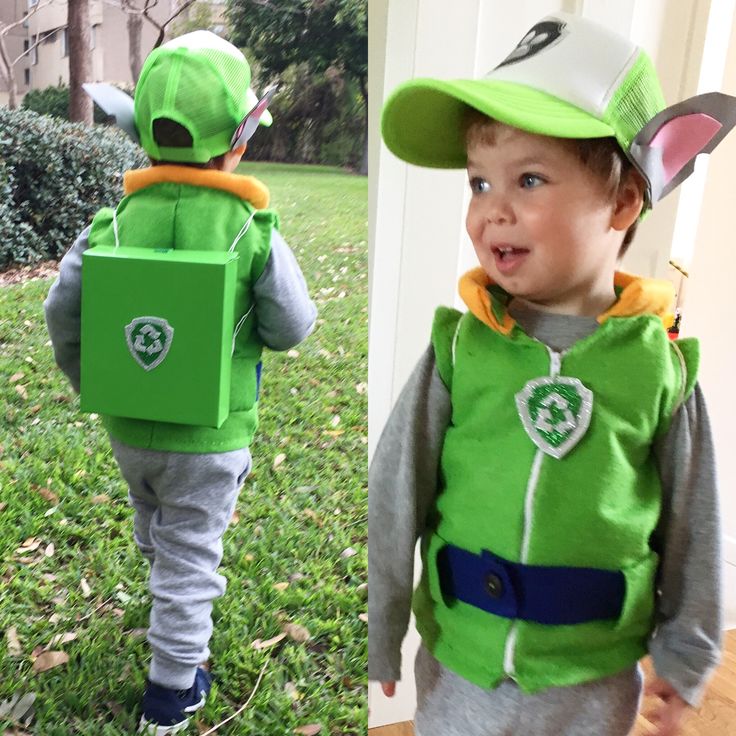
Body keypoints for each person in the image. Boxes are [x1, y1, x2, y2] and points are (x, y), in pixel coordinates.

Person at [369, 12, 735, 736]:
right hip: (460, 670)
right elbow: (395, 490)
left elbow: (697, 527)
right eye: (478, 183)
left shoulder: (659, 365)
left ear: (625, 200)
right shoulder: (461, 348)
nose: (491, 211)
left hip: (591, 684)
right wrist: (379, 622)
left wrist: (686, 654)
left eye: (528, 179)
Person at [44, 31, 317, 735]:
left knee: (157, 525)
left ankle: (169, 602)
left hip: (129, 426)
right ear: (240, 139)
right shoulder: (251, 227)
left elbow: (62, 311)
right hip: (211, 434)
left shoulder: (113, 220)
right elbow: (292, 325)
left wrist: (91, 380)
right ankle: (172, 691)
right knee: (193, 552)